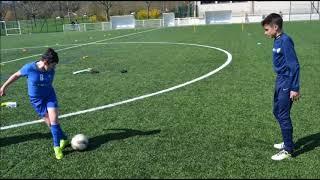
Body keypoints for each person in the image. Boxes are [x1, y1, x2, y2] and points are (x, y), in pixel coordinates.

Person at [0, 48, 68, 160]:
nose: (54, 68)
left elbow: (46, 81)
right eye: (53, 65)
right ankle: (64, 138)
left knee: (54, 119)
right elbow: (16, 75)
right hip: (37, 100)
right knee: (50, 124)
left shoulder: (51, 71)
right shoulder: (29, 68)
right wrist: (3, 87)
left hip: (50, 96)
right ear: (46, 62)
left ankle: (56, 147)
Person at [261, 13, 300, 161]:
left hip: (287, 82)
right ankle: (287, 140)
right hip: (280, 80)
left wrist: (295, 87)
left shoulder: (285, 41)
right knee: (277, 111)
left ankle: (288, 149)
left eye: (266, 29)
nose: (265, 33)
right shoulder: (277, 39)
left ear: (275, 27)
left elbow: (294, 65)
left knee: (283, 114)